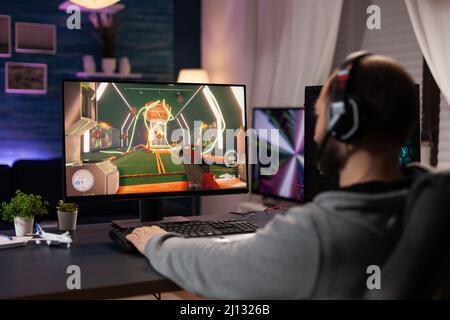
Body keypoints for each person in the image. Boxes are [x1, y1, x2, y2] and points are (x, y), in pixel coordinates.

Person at [126, 53, 423, 299]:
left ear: (344, 125)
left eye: (317, 118)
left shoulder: (316, 234)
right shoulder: (431, 203)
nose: (314, 133)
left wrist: (157, 242)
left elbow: (222, 268)